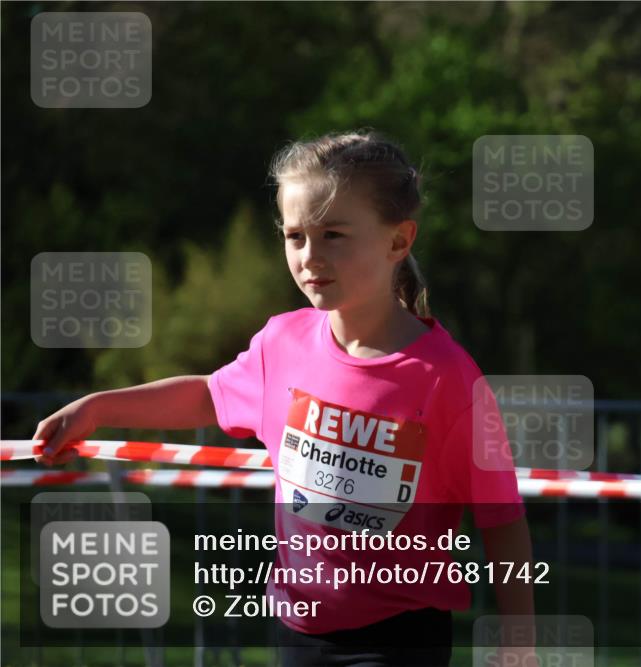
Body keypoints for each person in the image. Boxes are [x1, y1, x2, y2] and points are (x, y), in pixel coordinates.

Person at [34, 130, 536, 666]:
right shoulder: (282, 343)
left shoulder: (450, 379)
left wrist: (518, 641)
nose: (310, 256)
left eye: (334, 235)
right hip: (296, 632)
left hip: (400, 640)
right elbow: (207, 396)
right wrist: (97, 408)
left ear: (398, 241)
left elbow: (501, 519)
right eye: (295, 236)